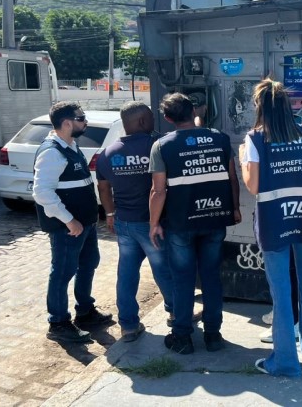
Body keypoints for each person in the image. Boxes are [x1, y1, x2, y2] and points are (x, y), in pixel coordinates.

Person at [240, 79, 302, 377]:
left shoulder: (255, 139)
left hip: (274, 219)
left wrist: (243, 159)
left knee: (281, 290)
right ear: (286, 104)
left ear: (260, 107)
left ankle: (284, 362)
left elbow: (253, 185)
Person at [149, 93, 241, 355]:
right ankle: (213, 335)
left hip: (181, 224)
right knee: (211, 277)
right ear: (193, 111)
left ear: (168, 119)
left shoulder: (162, 146)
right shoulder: (220, 138)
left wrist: (154, 223)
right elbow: (232, 178)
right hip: (215, 218)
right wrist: (234, 208)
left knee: (183, 280)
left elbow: (158, 191)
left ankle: (182, 338)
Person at [33, 102, 113, 343]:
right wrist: (69, 221)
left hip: (85, 223)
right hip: (68, 228)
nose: (85, 122)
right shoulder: (52, 152)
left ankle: (85, 312)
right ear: (67, 123)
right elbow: (42, 193)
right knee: (62, 272)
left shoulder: (70, 145)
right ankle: (58, 323)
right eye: (81, 118)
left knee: (88, 264)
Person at [95, 101, 174, 343]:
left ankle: (128, 326)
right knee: (164, 270)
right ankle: (176, 313)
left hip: (124, 222)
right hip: (152, 223)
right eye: (150, 118)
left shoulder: (107, 154)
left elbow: (103, 188)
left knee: (127, 274)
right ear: (142, 121)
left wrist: (110, 215)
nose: (154, 122)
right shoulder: (157, 145)